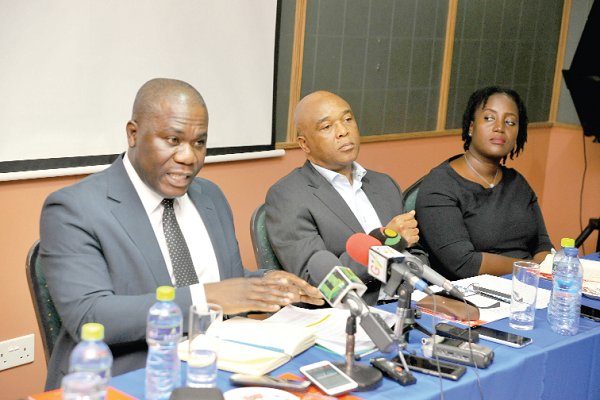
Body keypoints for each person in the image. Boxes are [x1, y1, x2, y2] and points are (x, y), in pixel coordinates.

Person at [40, 78, 323, 390]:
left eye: (199, 143)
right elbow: (90, 316)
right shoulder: (74, 208)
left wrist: (264, 284)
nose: (189, 157)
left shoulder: (210, 196)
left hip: (218, 368)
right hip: (129, 378)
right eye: (173, 140)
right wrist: (208, 297)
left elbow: (222, 277)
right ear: (133, 134)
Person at [265, 91, 422, 306]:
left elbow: (416, 249)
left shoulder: (385, 184)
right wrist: (385, 241)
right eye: (327, 127)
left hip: (410, 303)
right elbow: (317, 282)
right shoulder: (288, 196)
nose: (343, 131)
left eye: (348, 120)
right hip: (353, 312)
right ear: (304, 144)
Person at [415, 86, 553, 280]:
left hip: (527, 286)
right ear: (471, 127)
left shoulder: (518, 183)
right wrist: (530, 268)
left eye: (510, 122)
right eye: (489, 118)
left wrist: (540, 275)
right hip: (472, 296)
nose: (500, 127)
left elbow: (543, 244)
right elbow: (464, 264)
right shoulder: (439, 185)